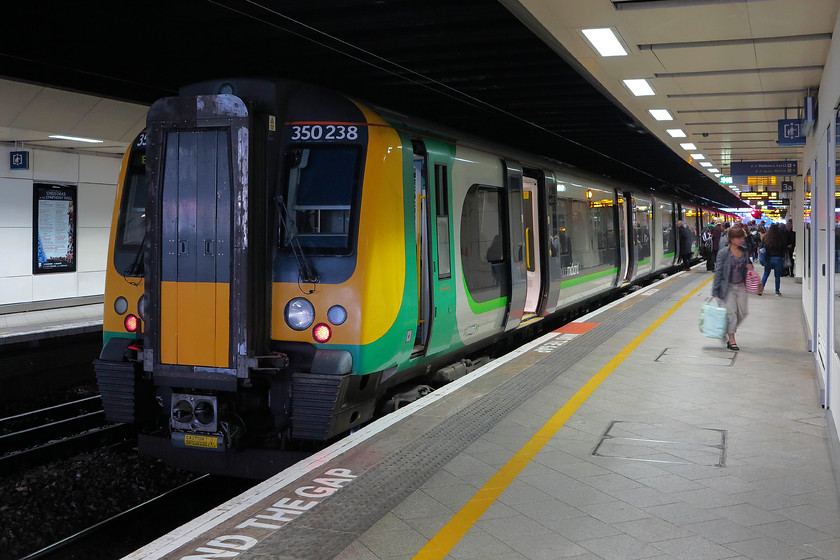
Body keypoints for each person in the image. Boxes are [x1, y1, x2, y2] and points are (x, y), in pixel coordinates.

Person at [713, 225, 754, 351]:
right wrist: (715, 291)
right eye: (738, 237)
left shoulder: (745, 251)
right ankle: (732, 339)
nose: (741, 240)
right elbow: (719, 272)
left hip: (741, 285)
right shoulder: (723, 253)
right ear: (731, 238)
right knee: (731, 314)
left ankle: (725, 330)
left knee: (743, 312)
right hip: (728, 287)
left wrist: (749, 267)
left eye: (742, 237)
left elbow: (748, 264)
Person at [759, 224, 785, 296]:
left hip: (768, 258)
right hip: (778, 258)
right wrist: (782, 256)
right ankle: (777, 291)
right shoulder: (780, 238)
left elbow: (762, 247)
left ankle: (760, 290)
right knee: (777, 276)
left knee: (766, 274)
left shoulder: (766, 238)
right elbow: (784, 248)